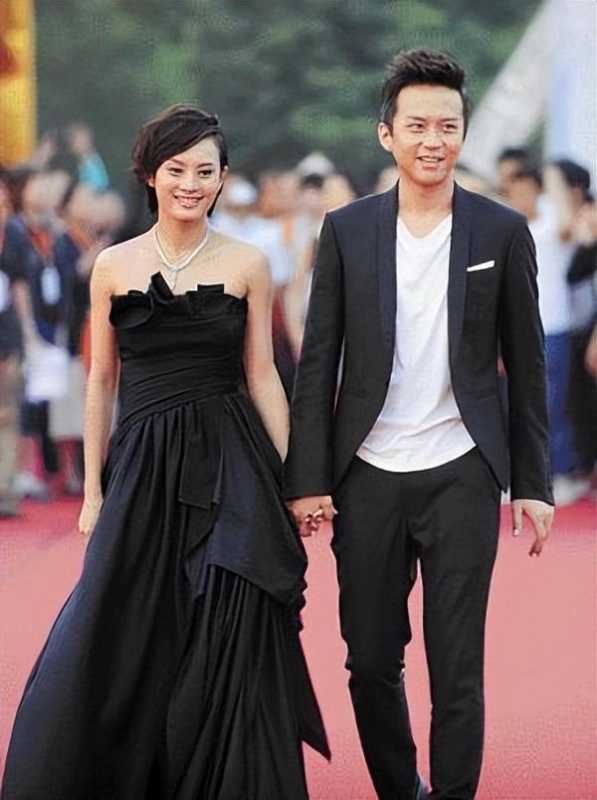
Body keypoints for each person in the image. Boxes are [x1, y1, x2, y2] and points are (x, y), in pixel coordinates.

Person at [2, 104, 328, 799]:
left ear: (222, 178)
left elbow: (262, 375)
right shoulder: (113, 265)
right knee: (120, 620)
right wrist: (93, 492)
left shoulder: (247, 262)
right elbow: (102, 381)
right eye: (177, 170)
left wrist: (298, 477)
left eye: (205, 172)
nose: (191, 184)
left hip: (233, 461)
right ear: (150, 176)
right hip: (144, 466)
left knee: (232, 607)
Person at [284, 50, 554, 800]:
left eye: (447, 126)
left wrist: (532, 483)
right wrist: (307, 478)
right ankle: (399, 787)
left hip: (462, 468)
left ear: (462, 133)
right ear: (387, 134)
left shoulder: (501, 232)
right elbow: (317, 363)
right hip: (366, 472)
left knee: (456, 663)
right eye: (417, 126)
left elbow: (527, 364)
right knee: (370, 659)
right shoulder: (348, 231)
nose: (433, 140)